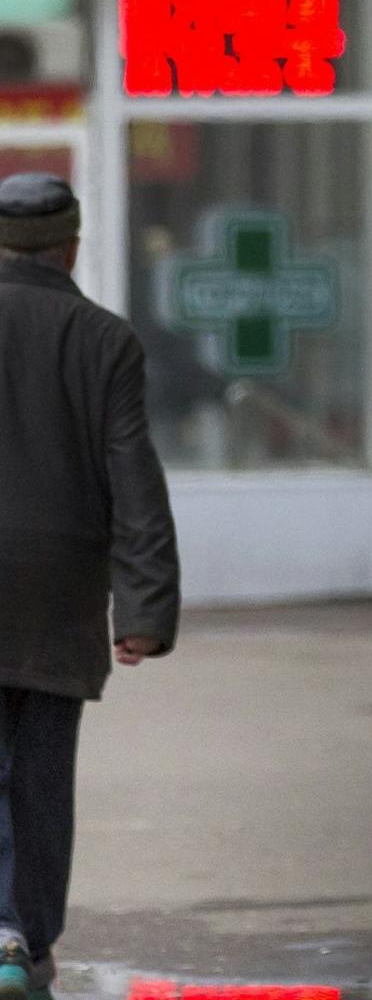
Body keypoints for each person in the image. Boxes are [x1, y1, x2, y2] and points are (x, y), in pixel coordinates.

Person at [0, 175, 180, 996]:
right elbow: (134, 481)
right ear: (71, 246)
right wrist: (145, 607)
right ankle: (27, 939)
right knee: (39, 773)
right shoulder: (105, 338)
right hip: (60, 595)